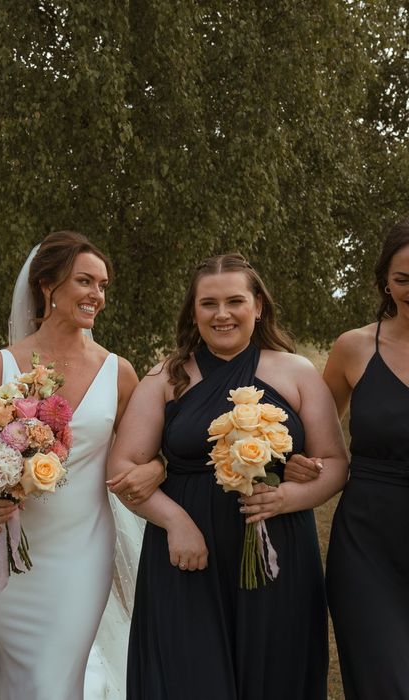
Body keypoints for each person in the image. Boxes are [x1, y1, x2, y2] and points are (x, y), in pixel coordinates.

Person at [110, 253, 349, 700]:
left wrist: (288, 498)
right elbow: (122, 471)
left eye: (234, 301)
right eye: (208, 304)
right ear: (193, 311)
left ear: (258, 306)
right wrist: (176, 524)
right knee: (189, 676)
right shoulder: (167, 377)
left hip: (277, 549)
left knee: (275, 674)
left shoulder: (295, 372)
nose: (222, 314)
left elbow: (334, 463)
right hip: (185, 557)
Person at [0, 231, 162, 700]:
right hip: (7, 546)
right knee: (20, 675)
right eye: (84, 281)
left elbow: (149, 454)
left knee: (57, 677)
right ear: (47, 287)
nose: (96, 295)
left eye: (102, 285)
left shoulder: (118, 373)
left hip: (83, 549)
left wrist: (155, 470)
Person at [325, 219, 409, 698]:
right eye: (404, 279)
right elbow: (311, 433)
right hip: (368, 546)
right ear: (384, 281)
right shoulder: (354, 347)